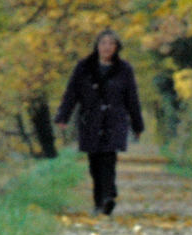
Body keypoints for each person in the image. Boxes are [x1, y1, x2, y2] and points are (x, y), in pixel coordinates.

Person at [55, 29, 144, 216]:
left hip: (114, 120)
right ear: (97, 46)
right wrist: (63, 116)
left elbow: (132, 98)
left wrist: (137, 125)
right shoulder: (84, 68)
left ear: (117, 47)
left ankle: (108, 196)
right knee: (94, 161)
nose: (107, 47)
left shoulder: (124, 69)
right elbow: (72, 92)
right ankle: (99, 201)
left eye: (111, 44)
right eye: (103, 43)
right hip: (90, 120)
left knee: (108, 158)